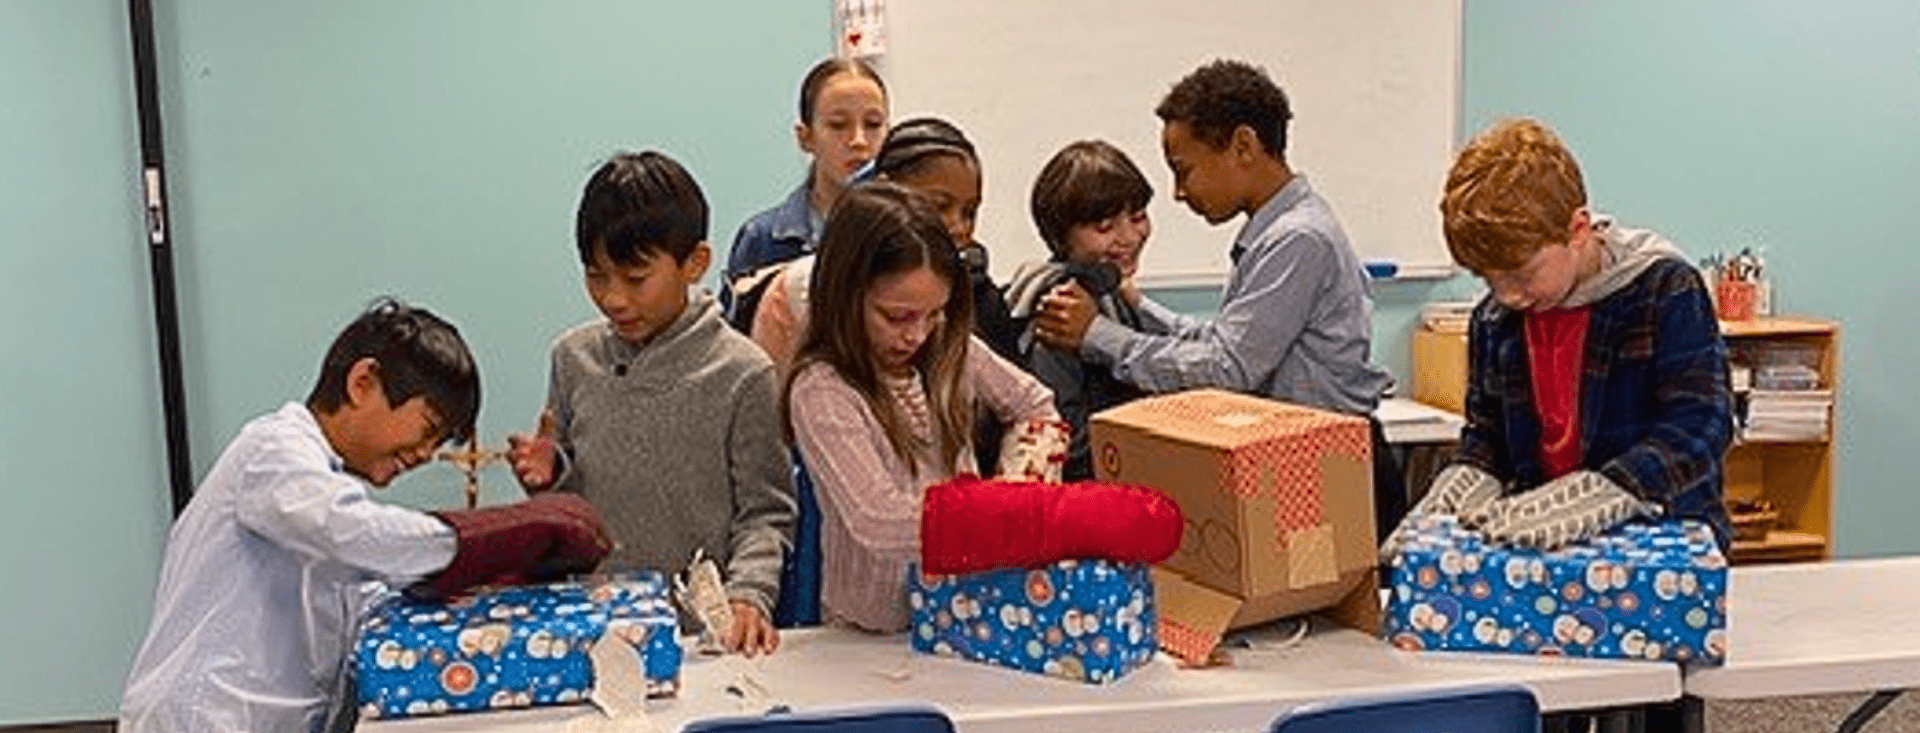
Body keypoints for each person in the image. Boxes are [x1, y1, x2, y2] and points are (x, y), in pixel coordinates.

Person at [120, 298, 612, 733]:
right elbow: (356, 534)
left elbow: (374, 590)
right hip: (203, 719)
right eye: (428, 429)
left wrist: (499, 579)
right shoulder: (272, 454)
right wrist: (513, 530)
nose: (425, 455)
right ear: (363, 383)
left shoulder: (325, 484)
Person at [1033, 59, 1402, 537]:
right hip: (1305, 464)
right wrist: (1139, 308)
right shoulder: (1275, 234)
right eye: (1104, 225)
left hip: (1329, 470)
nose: (1179, 192)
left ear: (1243, 146)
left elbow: (1229, 368)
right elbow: (1222, 340)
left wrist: (1097, 335)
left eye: (1183, 170)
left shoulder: (1297, 239)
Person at [1382, 118, 1734, 554]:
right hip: (1544, 550)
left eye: (1522, 274)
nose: (1508, 295)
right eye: (1489, 279)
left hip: (1662, 544)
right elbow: (1489, 436)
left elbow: (1701, 427)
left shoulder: (1664, 289)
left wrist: (1605, 493)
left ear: (1578, 230)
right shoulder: (1495, 319)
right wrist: (1465, 481)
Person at [506, 151, 795, 656]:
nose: (614, 299)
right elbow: (572, 520)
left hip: (699, 639)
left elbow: (766, 513)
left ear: (695, 263)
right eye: (597, 276)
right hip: (592, 630)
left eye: (635, 278)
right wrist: (549, 481)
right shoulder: (572, 358)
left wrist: (750, 594)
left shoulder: (743, 372)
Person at [784, 181, 1063, 633]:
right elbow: (878, 518)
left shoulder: (949, 348)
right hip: (870, 632)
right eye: (896, 317)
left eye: (934, 314)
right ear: (844, 295)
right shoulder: (822, 390)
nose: (916, 335)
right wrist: (997, 520)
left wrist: (1021, 479)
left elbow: (1035, 405)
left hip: (966, 613)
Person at [1005, 140, 1156, 480]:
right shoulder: (1058, 309)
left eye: (1138, 217)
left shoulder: (1113, 291)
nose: (1129, 237)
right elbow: (1064, 436)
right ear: (1061, 235)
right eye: (1104, 227)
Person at [722, 57, 888, 323]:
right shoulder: (763, 238)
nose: (859, 141)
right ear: (805, 137)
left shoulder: (908, 231)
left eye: (873, 124)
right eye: (838, 125)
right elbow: (735, 335)